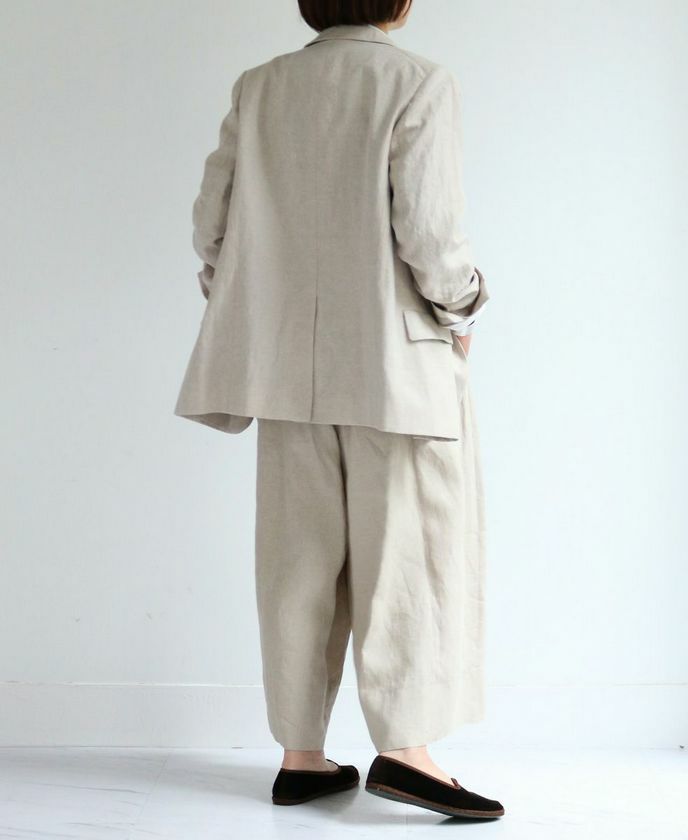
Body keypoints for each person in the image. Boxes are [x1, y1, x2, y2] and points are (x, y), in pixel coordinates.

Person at [173, 0, 504, 820]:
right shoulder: (417, 82)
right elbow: (429, 232)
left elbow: (211, 225)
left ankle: (302, 758)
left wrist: (250, 297)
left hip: (284, 367)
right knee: (408, 557)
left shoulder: (261, 86)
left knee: (297, 565)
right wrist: (463, 308)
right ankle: (407, 752)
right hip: (396, 368)